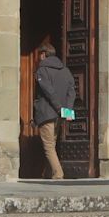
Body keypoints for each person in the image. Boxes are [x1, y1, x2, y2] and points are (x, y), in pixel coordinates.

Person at [31, 40, 77, 180]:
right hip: (59, 115)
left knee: (49, 146)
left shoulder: (42, 70)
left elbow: (49, 92)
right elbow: (72, 91)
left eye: (40, 55)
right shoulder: (65, 70)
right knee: (52, 143)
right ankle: (48, 174)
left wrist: (58, 107)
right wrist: (66, 110)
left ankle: (58, 174)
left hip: (47, 113)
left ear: (44, 55)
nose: (39, 57)